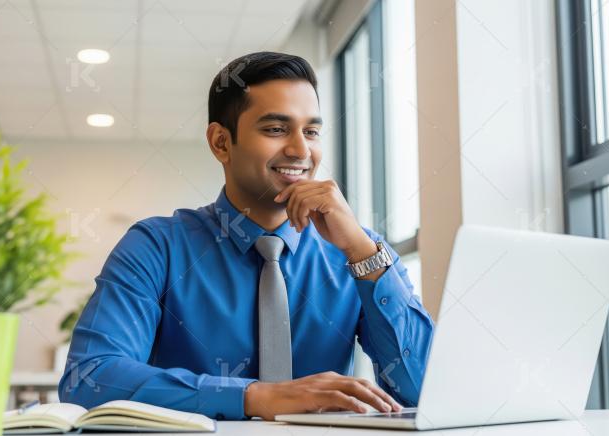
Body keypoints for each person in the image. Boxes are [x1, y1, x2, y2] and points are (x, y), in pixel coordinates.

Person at [58, 51, 434, 421]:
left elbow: (426, 389)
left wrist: (361, 251)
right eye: (275, 129)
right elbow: (89, 378)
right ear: (221, 143)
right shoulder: (157, 246)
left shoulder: (359, 252)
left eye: (312, 132)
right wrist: (255, 397)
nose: (301, 150)